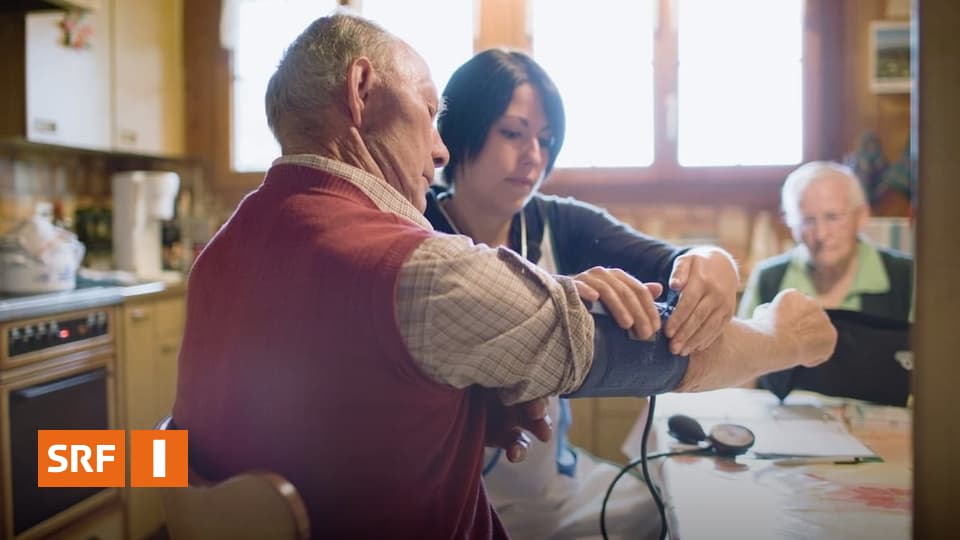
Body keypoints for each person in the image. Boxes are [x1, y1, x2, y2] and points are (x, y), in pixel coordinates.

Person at [173, 14, 837, 539]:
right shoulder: (426, 271)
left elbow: (284, 417)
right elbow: (654, 354)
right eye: (431, 114)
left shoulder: (220, 256)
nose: (437, 149)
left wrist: (463, 409)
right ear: (362, 89)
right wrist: (784, 335)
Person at [424, 49, 738, 539]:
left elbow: (675, 260)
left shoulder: (556, 221)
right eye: (512, 132)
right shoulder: (414, 227)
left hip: (554, 492)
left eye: (546, 140)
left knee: (680, 509)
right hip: (444, 507)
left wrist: (715, 264)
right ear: (460, 125)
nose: (534, 155)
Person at [739, 161, 913, 321]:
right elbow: (744, 351)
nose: (821, 234)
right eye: (808, 220)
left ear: (861, 216)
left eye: (832, 217)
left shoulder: (906, 276)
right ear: (791, 224)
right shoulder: (768, 279)